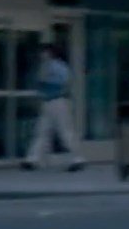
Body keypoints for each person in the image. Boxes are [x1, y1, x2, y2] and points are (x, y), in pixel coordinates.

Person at [23, 43, 85, 172]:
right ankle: (32, 159)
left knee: (65, 131)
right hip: (48, 102)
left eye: (44, 52)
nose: (41, 55)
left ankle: (77, 159)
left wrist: (46, 81)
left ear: (50, 53)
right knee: (41, 130)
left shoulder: (58, 66)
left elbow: (64, 82)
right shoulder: (44, 67)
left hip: (59, 101)